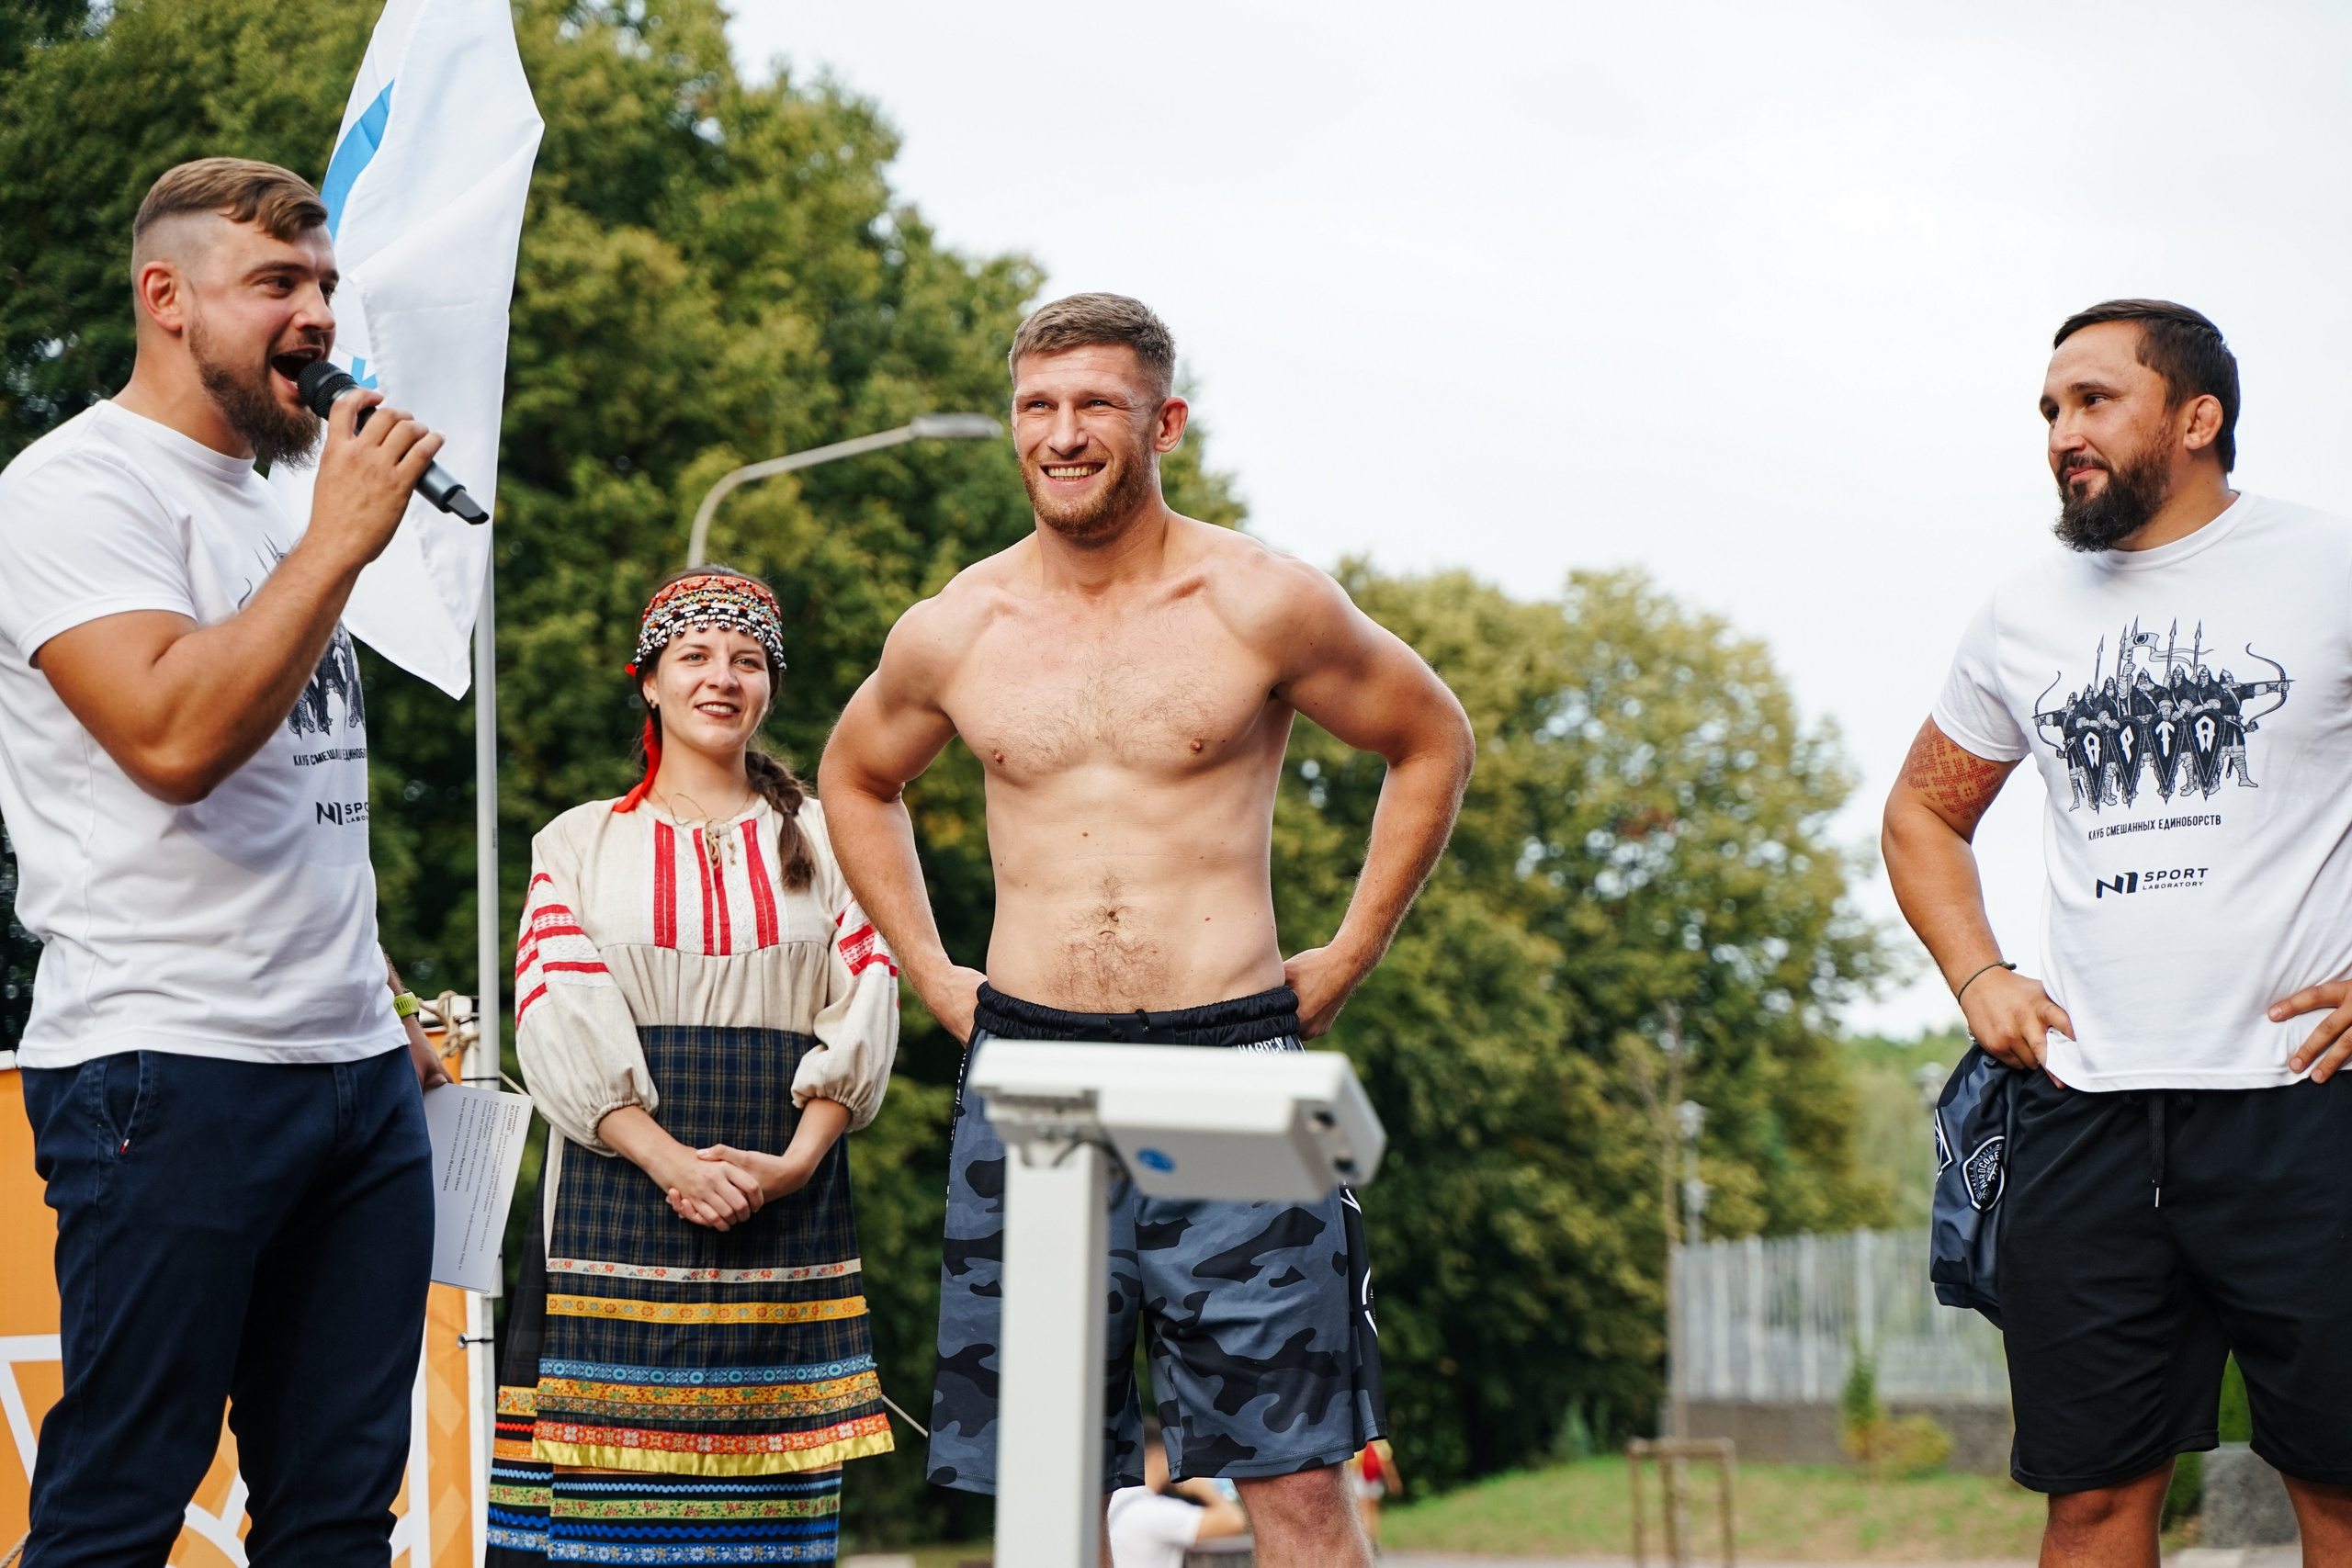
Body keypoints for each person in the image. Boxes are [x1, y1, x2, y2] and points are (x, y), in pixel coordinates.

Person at [819, 292, 1476, 1568]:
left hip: (1225, 1057)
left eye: (1097, 406)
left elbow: (1430, 735)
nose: (1063, 435)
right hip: (1035, 1070)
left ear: (1163, 420)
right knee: (1051, 1492)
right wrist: (936, 972)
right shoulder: (960, 625)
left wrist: (1348, 952)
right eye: (1039, 407)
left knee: (1290, 1473)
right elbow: (857, 776)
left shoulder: (1259, 601)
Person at [0, 157, 453, 1566]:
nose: (317, 316)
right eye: (276, 285)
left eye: (322, 284)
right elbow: (176, 738)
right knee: (120, 1506)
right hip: (168, 1067)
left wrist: (370, 975)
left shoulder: (285, 500)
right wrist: (338, 548)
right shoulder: (71, 489)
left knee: (335, 1517)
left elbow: (295, 778)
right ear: (167, 298)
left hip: (354, 1076)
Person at [1883, 299, 2352, 1566]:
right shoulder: (2023, 609)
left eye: (2093, 400)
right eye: (2049, 410)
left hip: (2304, 1102)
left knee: (2343, 1492)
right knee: (2091, 1501)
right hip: (2085, 1109)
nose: (2059, 433)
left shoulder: (2327, 567)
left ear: (2197, 418)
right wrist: (1979, 973)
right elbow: (1923, 815)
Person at [499, 567, 900, 1563]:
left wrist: (797, 1162)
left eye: (746, 660)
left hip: (787, 1198)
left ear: (769, 686)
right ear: (650, 681)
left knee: (772, 1519)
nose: (721, 678)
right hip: (615, 1190)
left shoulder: (824, 837)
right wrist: (670, 1161)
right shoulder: (579, 842)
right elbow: (557, 1010)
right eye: (696, 657)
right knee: (602, 1515)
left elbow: (866, 999)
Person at [1107, 1421, 1251, 1568]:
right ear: (1157, 1460)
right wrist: (1201, 1487)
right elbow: (1233, 1520)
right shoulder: (1152, 1512)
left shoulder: (1112, 1501)